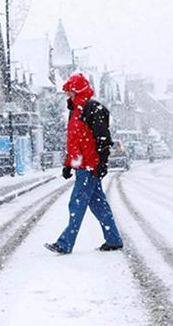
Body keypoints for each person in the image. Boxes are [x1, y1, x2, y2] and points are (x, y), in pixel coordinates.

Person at [45, 73, 123, 254]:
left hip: (90, 166)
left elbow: (103, 139)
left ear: (77, 91)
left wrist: (101, 163)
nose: (67, 95)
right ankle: (113, 239)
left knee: (77, 203)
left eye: (69, 92)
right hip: (83, 166)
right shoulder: (75, 111)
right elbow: (74, 143)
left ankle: (65, 243)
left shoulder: (92, 109)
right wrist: (68, 164)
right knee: (98, 204)